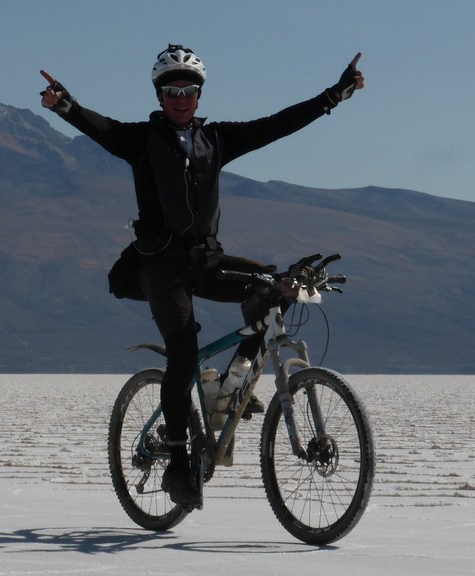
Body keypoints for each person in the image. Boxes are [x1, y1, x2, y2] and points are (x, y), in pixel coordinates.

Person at [40, 45, 364, 506]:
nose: (180, 97)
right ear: (159, 94)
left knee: (275, 292)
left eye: (188, 89)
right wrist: (66, 105)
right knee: (182, 348)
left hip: (205, 259)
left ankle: (230, 388)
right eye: (171, 89)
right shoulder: (142, 141)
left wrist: (333, 96)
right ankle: (175, 464)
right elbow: (102, 129)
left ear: (198, 94)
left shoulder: (217, 139)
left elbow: (277, 125)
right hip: (160, 267)